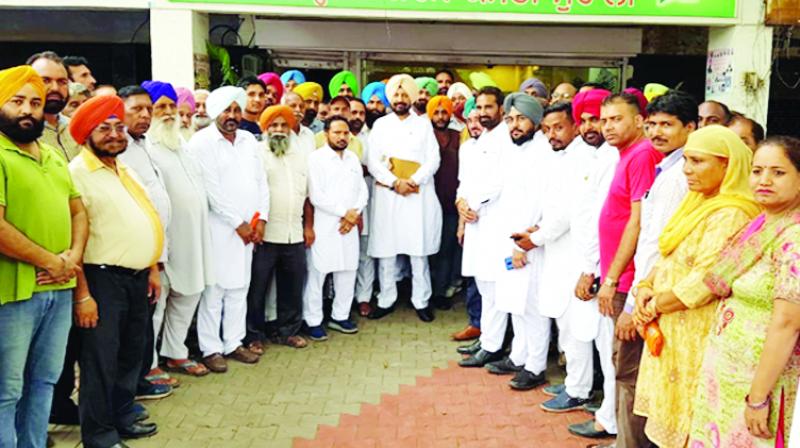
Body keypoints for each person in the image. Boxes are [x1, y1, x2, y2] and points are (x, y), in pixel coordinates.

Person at [630, 125, 759, 447]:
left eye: (698, 161)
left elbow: (706, 280)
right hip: (671, 327)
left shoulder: (732, 212)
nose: (687, 170)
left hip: (698, 333)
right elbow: (670, 256)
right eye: (686, 160)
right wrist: (646, 285)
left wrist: (654, 305)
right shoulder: (698, 202)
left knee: (690, 421)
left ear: (727, 166)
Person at [687, 136, 800, 447]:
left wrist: (758, 398)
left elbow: (788, 323)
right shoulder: (761, 224)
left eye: (778, 172)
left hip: (762, 380)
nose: (764, 180)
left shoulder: (794, 239)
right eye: (757, 170)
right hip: (727, 372)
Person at [68, 95, 164, 446]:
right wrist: (83, 296)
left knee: (130, 354)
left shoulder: (124, 169)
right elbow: (72, 240)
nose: (114, 135)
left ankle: (123, 415)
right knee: (99, 362)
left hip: (137, 278)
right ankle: (99, 435)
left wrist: (152, 268)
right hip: (100, 280)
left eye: (118, 127)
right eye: (104, 128)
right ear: (85, 134)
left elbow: (144, 218)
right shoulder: (77, 174)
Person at [0, 66, 87, 448]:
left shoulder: (52, 155)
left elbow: (79, 211)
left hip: (61, 288)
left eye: (35, 103)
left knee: (44, 383)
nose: (28, 110)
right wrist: (51, 261)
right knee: (7, 390)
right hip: (15, 294)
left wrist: (71, 257)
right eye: (16, 101)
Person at [511, 102, 598, 411]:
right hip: (559, 251)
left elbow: (567, 214)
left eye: (558, 127)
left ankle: (579, 390)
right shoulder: (562, 157)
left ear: (575, 126)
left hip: (576, 255)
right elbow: (553, 208)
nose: (551, 135)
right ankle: (576, 381)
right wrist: (539, 228)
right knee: (565, 322)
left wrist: (535, 238)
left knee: (575, 325)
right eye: (546, 129)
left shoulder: (583, 159)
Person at [594, 92, 664, 448]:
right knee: (622, 368)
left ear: (639, 121)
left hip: (629, 282)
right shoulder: (624, 155)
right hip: (618, 278)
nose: (607, 126)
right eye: (604, 120)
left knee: (630, 370)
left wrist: (612, 280)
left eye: (616, 119)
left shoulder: (640, 156)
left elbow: (638, 224)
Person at [188, 86, 268, 373]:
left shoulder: (248, 140)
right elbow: (211, 190)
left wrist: (261, 220)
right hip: (219, 228)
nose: (232, 116)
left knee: (239, 287)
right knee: (215, 289)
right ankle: (211, 348)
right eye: (227, 110)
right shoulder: (201, 142)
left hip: (249, 230)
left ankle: (234, 342)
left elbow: (261, 182)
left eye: (236, 110)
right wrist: (239, 223)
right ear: (214, 112)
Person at [146, 88, 214, 378]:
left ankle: (175, 353)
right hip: (164, 241)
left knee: (189, 295)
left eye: (171, 105)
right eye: (160, 106)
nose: (169, 112)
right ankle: (148, 365)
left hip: (194, 238)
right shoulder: (145, 148)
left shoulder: (182, 144)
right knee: (157, 305)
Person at [567, 88, 622, 441]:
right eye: (589, 119)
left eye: (603, 120)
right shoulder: (598, 155)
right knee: (604, 345)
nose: (596, 126)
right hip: (596, 262)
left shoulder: (619, 158)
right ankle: (607, 412)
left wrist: (595, 270)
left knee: (612, 349)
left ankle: (611, 419)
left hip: (610, 268)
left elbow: (612, 218)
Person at [366, 74, 442, 322]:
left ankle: (421, 300)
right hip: (389, 194)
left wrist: (413, 181)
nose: (400, 99)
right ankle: (386, 299)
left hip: (415, 195)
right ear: (391, 97)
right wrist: (394, 182)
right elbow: (373, 161)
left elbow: (433, 159)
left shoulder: (423, 124)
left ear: (411, 97)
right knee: (387, 251)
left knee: (417, 251)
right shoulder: (381, 125)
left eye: (404, 94)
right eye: (396, 95)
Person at [117, 83, 177, 397]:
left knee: (145, 318)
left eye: (147, 109)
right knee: (134, 325)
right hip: (133, 255)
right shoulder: (118, 146)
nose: (144, 115)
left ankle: (141, 378)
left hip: (155, 251)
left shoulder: (144, 144)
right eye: (136, 110)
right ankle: (133, 384)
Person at [242, 105, 310, 351]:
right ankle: (253, 335)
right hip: (265, 234)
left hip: (294, 232)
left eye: (284, 125)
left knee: (292, 286)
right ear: (266, 128)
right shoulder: (256, 154)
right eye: (274, 125)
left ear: (291, 128)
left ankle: (287, 331)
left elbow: (308, 195)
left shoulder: (301, 155)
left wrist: (308, 227)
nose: (279, 130)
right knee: (258, 288)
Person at [455, 86, 512, 366]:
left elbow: (498, 182)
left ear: (500, 109)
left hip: (495, 222)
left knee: (493, 285)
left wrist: (472, 204)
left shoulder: (506, 140)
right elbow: (465, 181)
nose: (483, 113)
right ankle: (487, 337)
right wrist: (461, 204)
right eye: (479, 107)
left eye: (489, 107)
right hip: (476, 220)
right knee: (481, 281)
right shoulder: (477, 142)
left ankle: (493, 345)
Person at [305, 115, 369, 339]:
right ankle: (313, 319)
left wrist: (355, 214)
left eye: (345, 133)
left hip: (349, 226)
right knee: (318, 273)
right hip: (325, 225)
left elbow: (363, 190)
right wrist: (345, 213)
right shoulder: (315, 159)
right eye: (337, 133)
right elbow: (317, 195)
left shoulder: (352, 158)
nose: (342, 137)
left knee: (348, 270)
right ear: (326, 134)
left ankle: (340, 316)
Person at [451, 99, 484, 342]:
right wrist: (461, 208)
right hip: (471, 222)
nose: (474, 125)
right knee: (472, 273)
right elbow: (464, 185)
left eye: (477, 119)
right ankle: (476, 322)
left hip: (490, 220)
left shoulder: (500, 147)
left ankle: (491, 333)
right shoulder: (467, 147)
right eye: (469, 120)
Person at [426, 95, 461, 311]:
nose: (440, 117)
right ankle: (424, 292)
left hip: (450, 202)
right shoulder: (424, 136)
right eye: (436, 112)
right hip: (427, 203)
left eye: (444, 112)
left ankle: (441, 292)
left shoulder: (459, 137)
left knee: (447, 249)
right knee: (429, 248)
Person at [28, 51, 82, 162]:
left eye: (62, 82)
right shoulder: (20, 131)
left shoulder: (77, 128)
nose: (55, 88)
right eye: (45, 80)